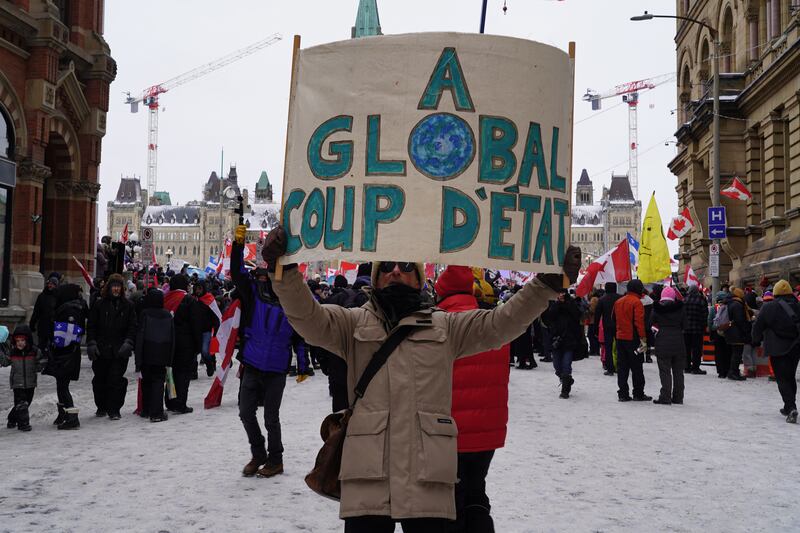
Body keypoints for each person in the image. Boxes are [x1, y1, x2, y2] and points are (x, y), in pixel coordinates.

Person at [261, 224, 581, 532]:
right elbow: (308, 317)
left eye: (405, 266)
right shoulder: (352, 325)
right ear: (376, 277)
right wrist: (284, 272)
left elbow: (501, 324)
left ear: (419, 279)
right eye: (387, 266)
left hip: (427, 477)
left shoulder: (446, 327)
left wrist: (545, 286)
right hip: (367, 475)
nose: (396, 271)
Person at [435, 266, 510, 532]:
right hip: (487, 431)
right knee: (477, 491)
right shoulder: (493, 323)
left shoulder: (436, 324)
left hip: (447, 430)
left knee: (452, 498)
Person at [230, 227, 310, 479]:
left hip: (276, 367)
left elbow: (300, 335)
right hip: (253, 362)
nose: (263, 278)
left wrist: (304, 364)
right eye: (262, 274)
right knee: (245, 412)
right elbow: (237, 273)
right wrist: (238, 244)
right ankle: (258, 454)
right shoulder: (253, 294)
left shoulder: (290, 300)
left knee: (271, 417)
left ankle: (276, 460)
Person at [87, 273, 137, 420]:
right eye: (114, 286)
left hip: (119, 350)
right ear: (109, 287)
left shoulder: (128, 306)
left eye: (118, 286)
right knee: (100, 379)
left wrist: (128, 342)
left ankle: (114, 409)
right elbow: (91, 326)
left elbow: (132, 327)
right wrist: (91, 342)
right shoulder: (99, 304)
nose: (116, 289)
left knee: (116, 380)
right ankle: (101, 406)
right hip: (101, 349)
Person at [752, 280, 800, 423]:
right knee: (790, 376)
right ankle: (789, 405)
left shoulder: (769, 307)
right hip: (796, 347)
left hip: (777, 348)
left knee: (782, 379)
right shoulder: (798, 306)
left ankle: (791, 407)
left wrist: (755, 340)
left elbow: (758, 326)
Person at [43, 284, 88, 429]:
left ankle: (72, 418)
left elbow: (67, 334)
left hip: (66, 353)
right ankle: (63, 414)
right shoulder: (72, 307)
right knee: (61, 385)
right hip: (67, 352)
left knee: (63, 386)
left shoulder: (70, 310)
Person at [164, 274, 203, 414]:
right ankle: (180, 403)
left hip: (168, 342)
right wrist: (198, 345)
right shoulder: (189, 300)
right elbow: (195, 324)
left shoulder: (166, 298)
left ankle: (170, 400)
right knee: (182, 374)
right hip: (185, 343)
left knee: (170, 373)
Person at [135, 288, 174, 422]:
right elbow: (172, 337)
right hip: (163, 352)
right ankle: (157, 412)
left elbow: (140, 335)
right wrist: (170, 358)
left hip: (147, 352)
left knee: (146, 382)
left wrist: (138, 358)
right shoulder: (168, 315)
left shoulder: (145, 313)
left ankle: (146, 409)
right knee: (158, 382)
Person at [613, 280, 651, 402]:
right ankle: (638, 393)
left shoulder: (618, 302)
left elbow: (613, 318)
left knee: (622, 367)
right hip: (633, 339)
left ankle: (623, 393)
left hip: (620, 338)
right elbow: (639, 323)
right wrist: (643, 339)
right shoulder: (637, 302)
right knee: (637, 367)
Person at [2, 325, 45, 432]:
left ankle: (12, 418)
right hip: (17, 383)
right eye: (17, 341)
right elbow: (5, 362)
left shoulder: (34, 351)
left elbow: (41, 361)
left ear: (28, 340)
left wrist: (40, 366)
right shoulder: (12, 352)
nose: (20, 343)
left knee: (26, 402)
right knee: (22, 404)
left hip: (30, 382)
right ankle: (23, 424)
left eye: (22, 340)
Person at [542, 290, 583, 399]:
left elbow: (577, 315)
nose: (560, 296)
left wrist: (567, 304)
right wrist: (558, 304)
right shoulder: (554, 305)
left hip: (569, 340)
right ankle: (567, 380)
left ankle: (565, 391)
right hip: (556, 339)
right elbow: (548, 318)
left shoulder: (572, 304)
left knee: (566, 365)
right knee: (557, 365)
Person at [651, 287, 686, 405]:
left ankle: (665, 396)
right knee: (678, 371)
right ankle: (678, 397)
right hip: (678, 341)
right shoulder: (680, 308)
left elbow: (649, 323)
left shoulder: (657, 309)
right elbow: (685, 324)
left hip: (662, 341)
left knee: (664, 370)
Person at [724, 288, 752, 381]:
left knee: (735, 353)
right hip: (737, 332)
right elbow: (740, 320)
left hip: (731, 331)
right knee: (737, 354)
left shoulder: (731, 303)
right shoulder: (737, 304)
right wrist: (746, 330)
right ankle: (733, 373)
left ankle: (733, 371)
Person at [29, 275, 60, 361]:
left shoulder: (59, 296)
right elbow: (36, 311)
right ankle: (40, 361)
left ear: (56, 285)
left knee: (53, 345)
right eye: (49, 283)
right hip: (43, 324)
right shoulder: (42, 296)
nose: (50, 285)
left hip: (54, 326)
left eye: (52, 284)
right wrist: (32, 323)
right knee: (41, 345)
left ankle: (52, 361)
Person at [595, 282, 621, 375]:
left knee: (608, 348)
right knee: (619, 347)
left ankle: (610, 369)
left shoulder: (602, 299)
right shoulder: (620, 298)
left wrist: (596, 328)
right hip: (619, 326)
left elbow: (597, 315)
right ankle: (619, 366)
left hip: (607, 326)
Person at [683, 286, 707, 375]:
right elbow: (705, 315)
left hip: (685, 330)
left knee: (686, 349)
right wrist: (704, 326)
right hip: (697, 329)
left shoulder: (684, 300)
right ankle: (695, 367)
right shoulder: (701, 300)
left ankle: (687, 367)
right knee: (697, 349)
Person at [708, 290, 731, 378]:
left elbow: (710, 321)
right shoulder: (728, 306)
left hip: (717, 333)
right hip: (727, 332)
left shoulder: (714, 308)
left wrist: (712, 331)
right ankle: (727, 369)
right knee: (728, 351)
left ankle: (721, 372)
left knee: (718, 352)